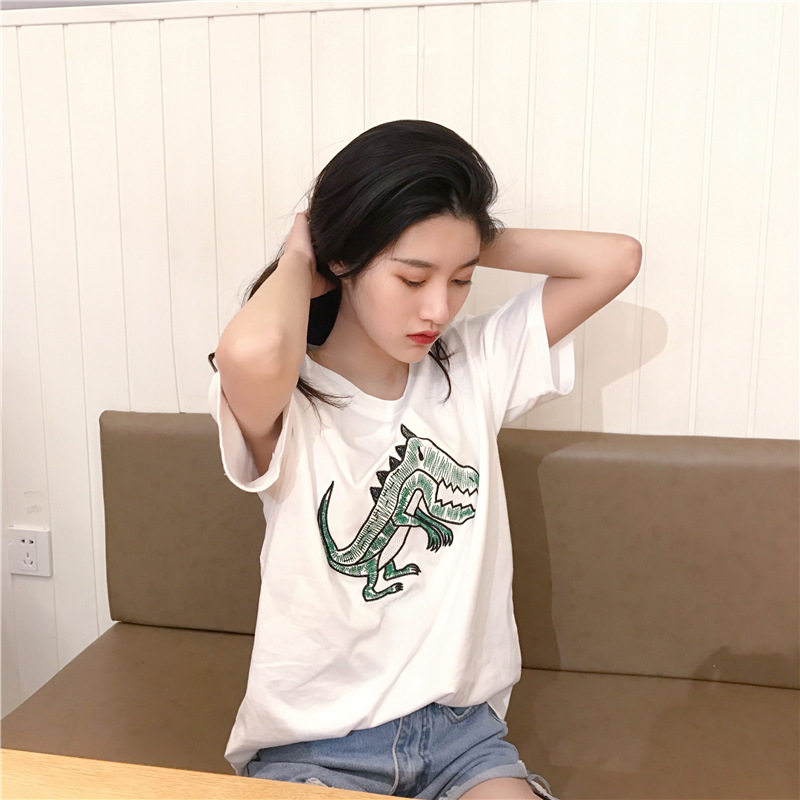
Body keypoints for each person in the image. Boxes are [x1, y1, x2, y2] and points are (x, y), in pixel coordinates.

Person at [207, 119, 641, 800]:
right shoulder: (291, 397)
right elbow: (250, 351)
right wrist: (303, 252)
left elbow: (616, 259)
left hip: (462, 741)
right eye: (412, 277)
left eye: (461, 278)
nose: (438, 308)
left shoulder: (474, 366)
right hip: (316, 747)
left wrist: (456, 233)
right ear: (344, 259)